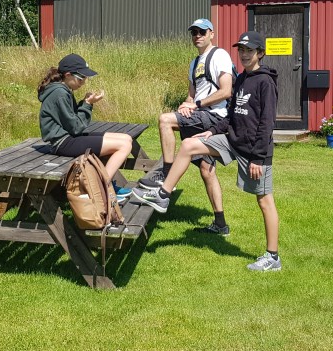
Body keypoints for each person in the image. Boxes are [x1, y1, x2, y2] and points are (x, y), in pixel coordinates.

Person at [130, 31, 282, 272]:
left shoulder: (265, 82)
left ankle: (272, 257)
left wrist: (258, 158)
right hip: (232, 140)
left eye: (249, 50)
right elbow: (232, 115)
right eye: (241, 50)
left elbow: (267, 124)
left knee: (264, 201)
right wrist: (213, 132)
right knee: (189, 145)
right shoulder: (241, 79)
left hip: (254, 150)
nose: (244, 54)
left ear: (260, 53)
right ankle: (163, 194)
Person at [137, 18, 235, 235]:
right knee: (206, 171)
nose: (197, 36)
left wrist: (196, 105)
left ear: (211, 33)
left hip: (214, 116)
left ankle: (165, 174)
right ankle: (221, 224)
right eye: (194, 33)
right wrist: (187, 106)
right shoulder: (194, 63)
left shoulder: (220, 56)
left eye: (201, 32)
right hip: (200, 113)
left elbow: (226, 91)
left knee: (165, 120)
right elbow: (192, 95)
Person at [38, 53, 133, 199]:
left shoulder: (63, 89)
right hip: (62, 142)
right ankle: (103, 189)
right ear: (68, 75)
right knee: (124, 146)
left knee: (126, 138)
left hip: (69, 137)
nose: (83, 82)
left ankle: (105, 182)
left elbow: (72, 119)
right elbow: (76, 127)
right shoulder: (59, 93)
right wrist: (88, 104)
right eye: (81, 78)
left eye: (85, 78)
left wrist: (85, 102)